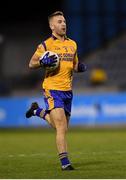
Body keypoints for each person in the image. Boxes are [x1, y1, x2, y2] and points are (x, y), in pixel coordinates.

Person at [26, 11, 87, 171]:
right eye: (59, 21)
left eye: (64, 21)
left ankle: (37, 111)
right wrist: (41, 61)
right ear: (52, 26)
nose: (63, 24)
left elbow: (74, 64)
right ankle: (65, 163)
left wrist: (79, 67)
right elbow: (31, 64)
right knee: (61, 128)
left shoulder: (73, 44)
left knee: (62, 127)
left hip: (68, 90)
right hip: (52, 88)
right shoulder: (46, 45)